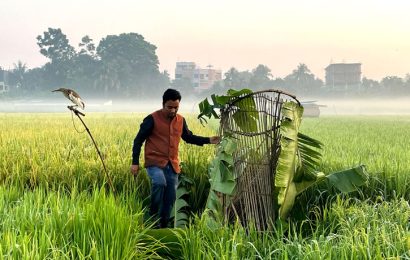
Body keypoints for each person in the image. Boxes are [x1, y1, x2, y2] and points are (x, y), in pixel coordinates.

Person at [130, 88, 220, 228]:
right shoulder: (152, 119)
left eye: (176, 107)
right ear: (163, 104)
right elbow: (138, 140)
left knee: (170, 198)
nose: (172, 110)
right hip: (154, 162)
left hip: (172, 165)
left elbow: (188, 137)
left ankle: (164, 225)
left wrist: (209, 140)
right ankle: (152, 216)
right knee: (159, 182)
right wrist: (135, 162)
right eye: (169, 107)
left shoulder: (181, 120)